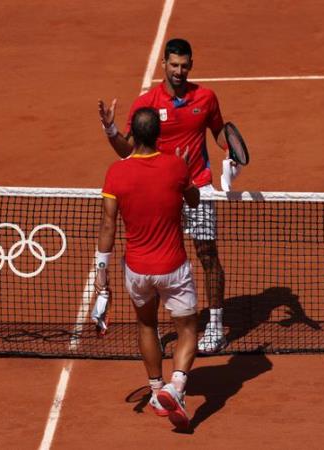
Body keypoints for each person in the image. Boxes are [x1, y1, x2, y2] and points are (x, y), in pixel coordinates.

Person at [98, 38, 235, 353]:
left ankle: (215, 327)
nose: (179, 71)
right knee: (157, 258)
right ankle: (154, 330)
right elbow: (128, 151)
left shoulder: (206, 97)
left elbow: (218, 131)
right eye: (174, 65)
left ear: (191, 65)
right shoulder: (146, 103)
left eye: (184, 65)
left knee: (207, 254)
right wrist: (110, 131)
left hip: (197, 185)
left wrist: (231, 151)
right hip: (159, 188)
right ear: (164, 64)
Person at [95, 107, 200, 430]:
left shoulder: (116, 173)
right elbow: (194, 200)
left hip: (137, 271)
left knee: (146, 326)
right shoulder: (175, 166)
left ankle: (157, 390)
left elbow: (108, 225)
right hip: (173, 268)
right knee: (188, 329)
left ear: (133, 136)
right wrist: (185, 170)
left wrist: (102, 279)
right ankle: (177, 387)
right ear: (158, 135)